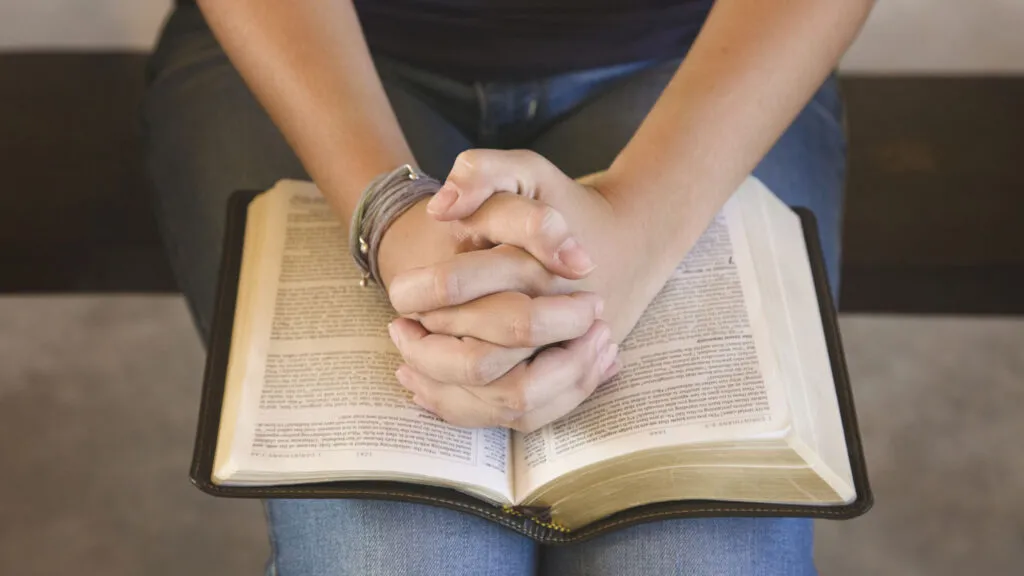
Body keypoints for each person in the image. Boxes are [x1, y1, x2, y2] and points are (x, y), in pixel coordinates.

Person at [143, 0, 874, 574]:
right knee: (394, 560)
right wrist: (388, 212)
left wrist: (639, 226)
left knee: (701, 556)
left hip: (711, 51)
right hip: (313, 45)